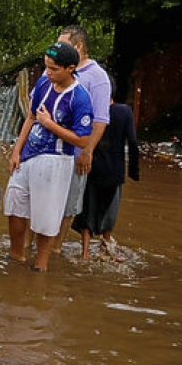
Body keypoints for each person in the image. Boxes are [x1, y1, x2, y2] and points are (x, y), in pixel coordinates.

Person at [4, 41, 94, 272]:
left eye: (54, 69)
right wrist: (16, 151)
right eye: (46, 67)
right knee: (14, 205)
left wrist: (50, 124)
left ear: (70, 68)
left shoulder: (79, 97)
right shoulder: (45, 82)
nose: (48, 73)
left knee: (47, 215)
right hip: (28, 154)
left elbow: (82, 139)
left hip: (56, 159)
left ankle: (41, 265)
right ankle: (17, 256)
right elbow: (32, 116)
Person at [52, 25, 111, 255]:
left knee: (67, 207)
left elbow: (100, 119)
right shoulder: (56, 70)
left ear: (78, 47)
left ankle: (55, 251)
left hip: (75, 154)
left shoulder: (97, 77)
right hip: (48, 152)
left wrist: (87, 151)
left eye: (63, 45)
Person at [71, 78, 139, 259]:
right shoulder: (124, 112)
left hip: (89, 168)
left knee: (87, 210)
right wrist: (134, 170)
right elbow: (132, 141)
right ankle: (106, 249)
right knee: (109, 210)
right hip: (113, 171)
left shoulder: (91, 112)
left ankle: (85, 252)